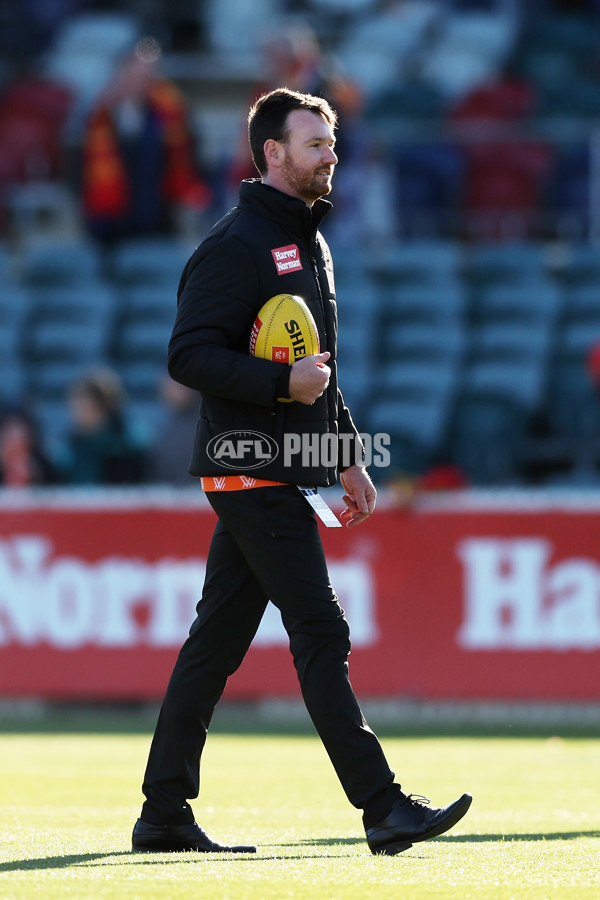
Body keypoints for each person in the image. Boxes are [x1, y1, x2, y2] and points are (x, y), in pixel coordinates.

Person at [132, 88, 472, 856]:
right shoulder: (236, 244)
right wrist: (284, 387)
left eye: (332, 140)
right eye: (315, 143)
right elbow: (189, 356)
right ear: (273, 153)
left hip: (289, 467)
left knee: (214, 645)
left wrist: (344, 451)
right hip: (248, 469)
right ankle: (383, 806)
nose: (331, 154)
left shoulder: (309, 243)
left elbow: (321, 369)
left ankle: (163, 813)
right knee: (321, 629)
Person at [81, 38, 211, 246]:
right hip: (111, 221)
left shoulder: (170, 114)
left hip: (157, 217)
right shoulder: (100, 117)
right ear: (121, 73)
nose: (138, 81)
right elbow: (83, 172)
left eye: (145, 75)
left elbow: (189, 160)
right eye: (133, 74)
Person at [58, 368, 148, 485]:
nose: (79, 414)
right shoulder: (70, 449)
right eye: (76, 408)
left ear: (106, 408)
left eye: (87, 408)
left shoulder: (131, 447)